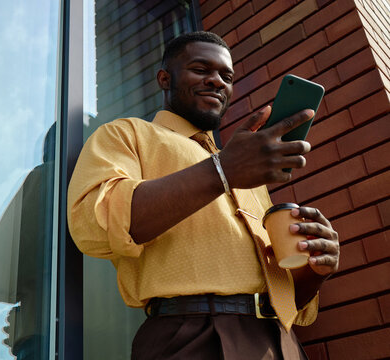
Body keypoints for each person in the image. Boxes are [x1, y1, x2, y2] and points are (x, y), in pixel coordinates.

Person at [67, 32, 339, 359]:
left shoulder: (247, 173)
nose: (217, 81)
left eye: (227, 76)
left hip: (282, 343)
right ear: (165, 78)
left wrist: (315, 270)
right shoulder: (127, 133)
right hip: (192, 337)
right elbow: (92, 225)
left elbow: (289, 300)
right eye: (201, 70)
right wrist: (223, 170)